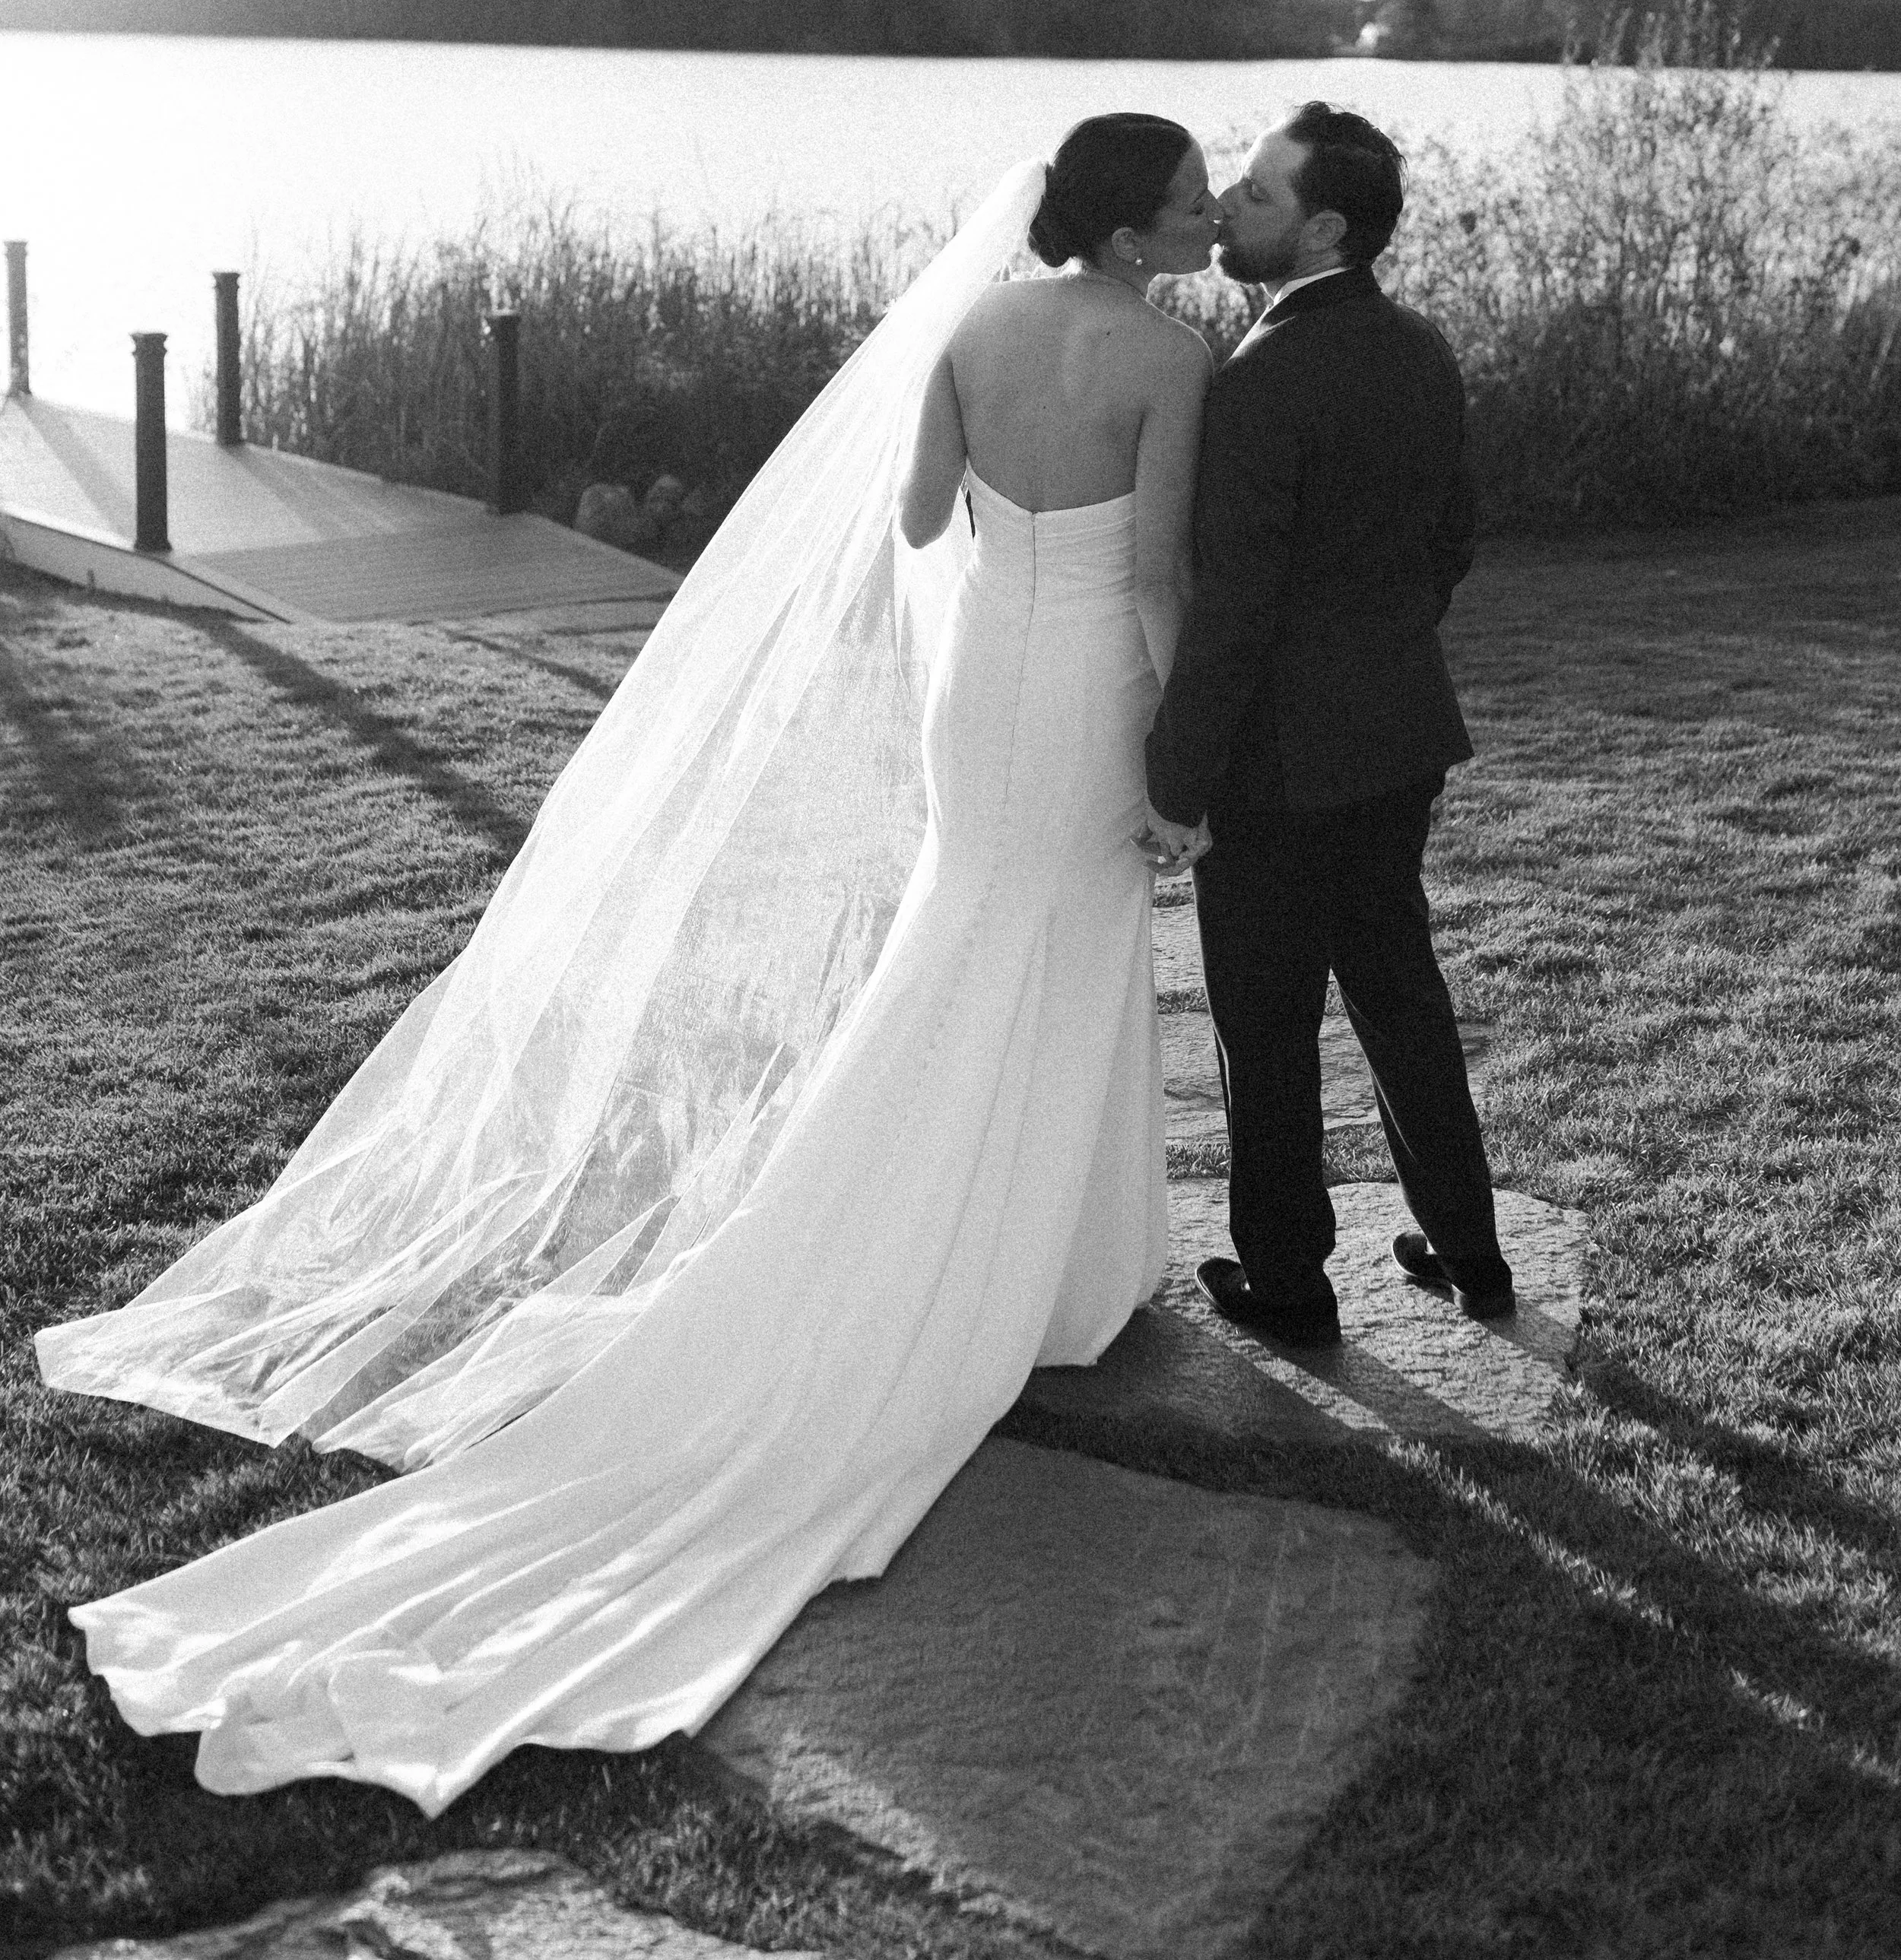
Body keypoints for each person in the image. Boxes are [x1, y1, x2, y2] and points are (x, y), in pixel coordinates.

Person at [35, 116, 1218, 1813]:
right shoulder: (1167, 358)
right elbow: (1164, 574)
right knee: (1050, 942)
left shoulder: (968, 329)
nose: (1200, 216)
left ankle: (1036, 1259)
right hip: (1097, 683)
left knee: (969, 936)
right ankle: (1018, 1273)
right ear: (1127, 220)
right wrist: (1180, 758)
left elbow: (918, 516)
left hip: (985, 691)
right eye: (1186, 196)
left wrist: (1016, 582)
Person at [1142, 101, 1512, 1349]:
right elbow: (1448, 540)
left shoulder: (1259, 378)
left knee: (1265, 1018)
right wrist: (1380, 647)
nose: (1232, 210)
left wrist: (1174, 776)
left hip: (1275, 767)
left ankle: (1291, 1283)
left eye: (1256, 193)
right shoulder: (1423, 351)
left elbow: (1234, 606)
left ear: (1326, 225)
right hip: (1398, 737)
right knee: (1400, 989)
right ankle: (1471, 1248)